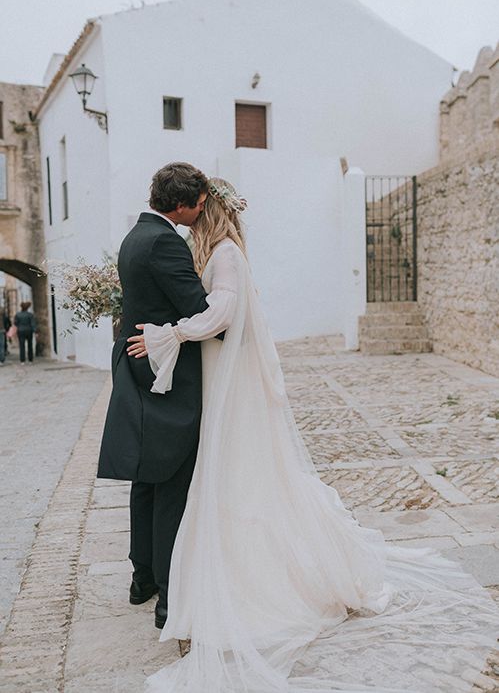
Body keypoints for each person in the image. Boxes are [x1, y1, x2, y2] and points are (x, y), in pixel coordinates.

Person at [127, 178, 499, 693]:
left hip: (230, 379)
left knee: (241, 468)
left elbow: (222, 314)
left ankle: (261, 579)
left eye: (192, 211)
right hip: (217, 375)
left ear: (205, 210)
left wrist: (169, 334)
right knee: (229, 470)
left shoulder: (228, 254)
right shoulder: (208, 249)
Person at [97, 162, 210, 631]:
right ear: (180, 205)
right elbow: (197, 308)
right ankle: (169, 596)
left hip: (138, 368)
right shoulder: (166, 242)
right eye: (198, 205)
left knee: (146, 479)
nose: (201, 212)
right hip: (167, 378)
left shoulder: (134, 236)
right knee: (171, 484)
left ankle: (141, 577)